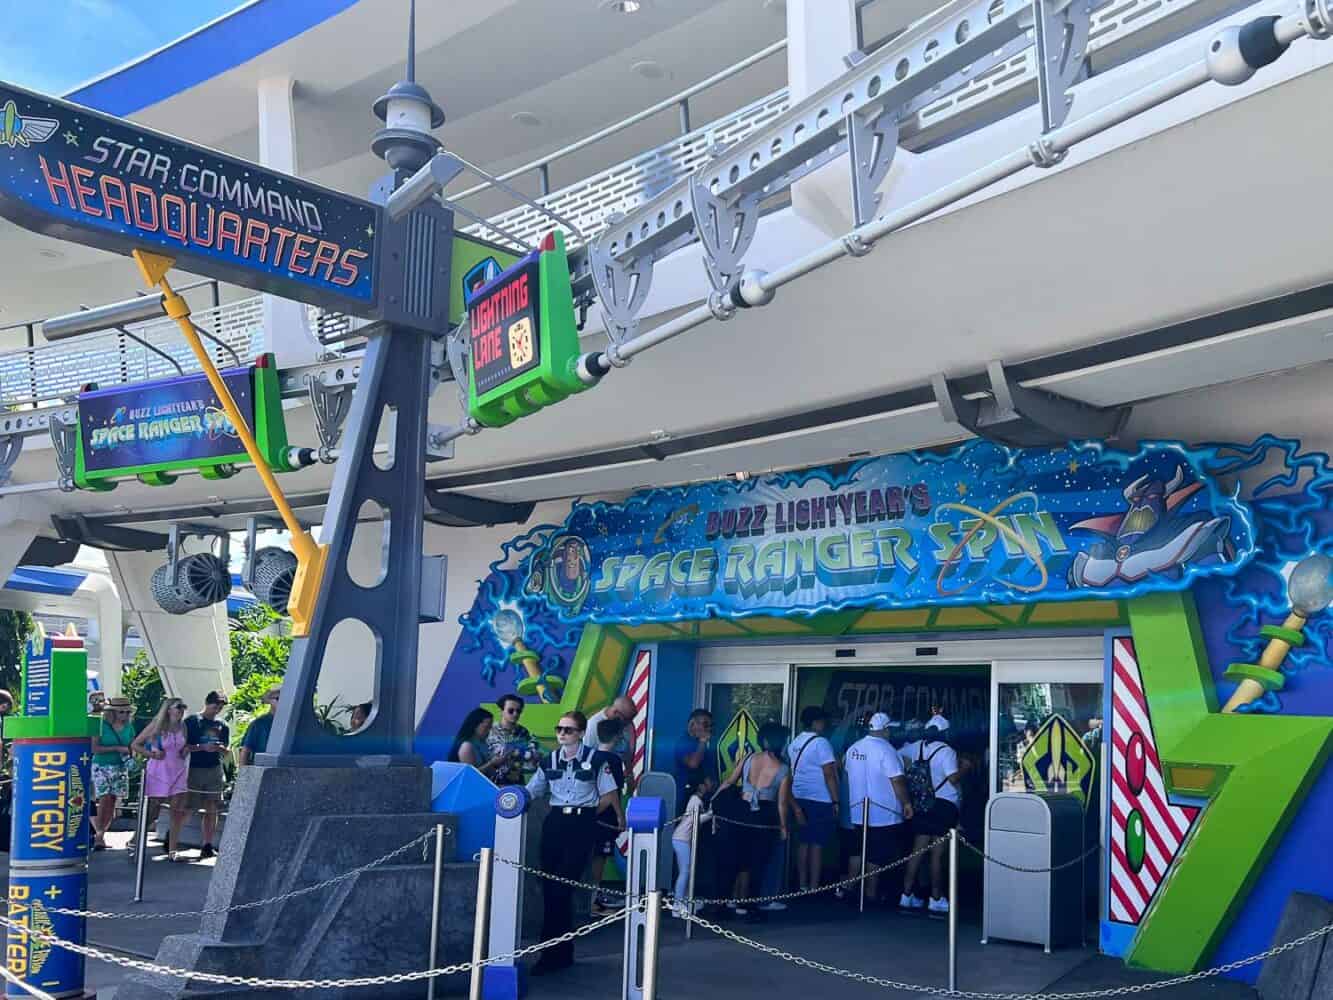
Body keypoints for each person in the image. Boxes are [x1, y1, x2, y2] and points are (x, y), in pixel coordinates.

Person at [525, 711, 619, 975]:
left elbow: (609, 793)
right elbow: (534, 789)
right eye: (559, 729)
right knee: (550, 887)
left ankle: (555, 952)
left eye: (568, 729)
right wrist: (511, 798)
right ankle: (556, 952)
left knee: (563, 888)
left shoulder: (596, 759)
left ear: (579, 733)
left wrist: (588, 813)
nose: (562, 733)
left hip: (580, 824)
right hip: (555, 823)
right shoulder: (549, 760)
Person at [717, 722, 791, 920]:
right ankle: (751, 906)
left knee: (733, 861)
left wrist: (715, 800)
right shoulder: (783, 769)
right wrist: (784, 827)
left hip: (740, 812)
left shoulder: (749, 758)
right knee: (757, 864)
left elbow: (729, 781)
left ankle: (723, 903)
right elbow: (782, 803)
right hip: (764, 817)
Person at [844, 713, 914, 904]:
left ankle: (850, 888)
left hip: (858, 811)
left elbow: (849, 772)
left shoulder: (853, 748)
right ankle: (871, 893)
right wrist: (907, 803)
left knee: (858, 850)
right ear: (885, 729)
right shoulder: (887, 750)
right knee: (878, 854)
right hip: (885, 813)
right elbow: (897, 780)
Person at [899, 714, 962, 914]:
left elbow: (897, 755)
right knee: (937, 854)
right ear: (945, 732)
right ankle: (936, 898)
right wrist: (966, 769)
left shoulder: (916, 746)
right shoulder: (947, 751)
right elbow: (953, 779)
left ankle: (906, 895)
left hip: (922, 804)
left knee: (917, 851)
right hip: (944, 805)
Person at [787, 705, 839, 892]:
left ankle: (801, 884)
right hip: (820, 798)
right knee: (817, 844)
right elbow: (829, 774)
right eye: (822, 720)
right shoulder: (821, 743)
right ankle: (815, 886)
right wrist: (835, 800)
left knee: (803, 843)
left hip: (799, 796)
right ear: (816, 722)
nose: (825, 723)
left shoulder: (795, 742)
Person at [132, 698, 191, 861]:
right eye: (178, 707)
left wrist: (186, 749)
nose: (181, 710)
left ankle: (173, 850)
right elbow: (135, 744)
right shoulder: (157, 725)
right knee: (153, 809)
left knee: (177, 811)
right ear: (169, 709)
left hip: (178, 769)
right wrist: (151, 754)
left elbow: (183, 745)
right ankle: (136, 840)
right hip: (159, 770)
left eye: (183, 707)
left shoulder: (183, 726)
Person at [185, 691, 231, 860]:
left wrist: (219, 748)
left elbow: (226, 749)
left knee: (212, 805)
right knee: (190, 806)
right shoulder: (192, 721)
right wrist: (201, 747)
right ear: (207, 703)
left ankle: (207, 843)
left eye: (220, 707)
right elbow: (184, 746)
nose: (217, 709)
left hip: (214, 768)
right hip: (194, 768)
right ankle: (173, 835)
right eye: (215, 705)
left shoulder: (222, 725)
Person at [591, 717, 628, 916]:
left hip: (591, 814)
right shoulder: (613, 760)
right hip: (605, 817)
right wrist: (620, 815)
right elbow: (612, 791)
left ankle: (592, 899)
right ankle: (594, 902)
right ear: (618, 736)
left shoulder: (590, 756)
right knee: (600, 859)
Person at [90, 696, 136, 850]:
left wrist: (131, 753)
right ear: (112, 712)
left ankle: (102, 833)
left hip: (120, 766)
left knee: (112, 801)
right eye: (121, 712)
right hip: (101, 765)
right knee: (104, 798)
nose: (124, 715)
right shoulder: (101, 725)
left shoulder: (129, 727)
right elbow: (94, 748)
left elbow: (132, 745)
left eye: (127, 712)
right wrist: (116, 748)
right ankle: (99, 834)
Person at [671, 768, 714, 916]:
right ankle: (678, 904)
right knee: (685, 871)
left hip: (682, 839)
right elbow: (695, 820)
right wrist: (710, 814)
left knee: (687, 871)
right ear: (701, 785)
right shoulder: (695, 800)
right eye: (707, 782)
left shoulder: (695, 799)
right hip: (682, 839)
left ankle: (685, 900)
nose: (710, 783)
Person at [448, 708, 513, 780]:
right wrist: (492, 763)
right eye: (486, 727)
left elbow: (488, 769)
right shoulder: (467, 746)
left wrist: (499, 761)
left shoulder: (483, 743)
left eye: (490, 728)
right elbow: (471, 775)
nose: (489, 731)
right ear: (475, 725)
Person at [486, 694, 533, 786]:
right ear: (501, 711)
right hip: (494, 781)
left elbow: (528, 756)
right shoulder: (490, 731)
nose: (515, 714)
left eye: (518, 711)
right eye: (511, 711)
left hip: (517, 781)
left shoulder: (523, 731)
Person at [583, 695, 636, 775]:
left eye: (631, 720)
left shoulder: (625, 722)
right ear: (615, 712)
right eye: (626, 720)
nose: (629, 724)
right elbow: (587, 760)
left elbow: (626, 752)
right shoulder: (592, 727)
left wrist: (629, 774)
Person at [673, 709, 716, 791]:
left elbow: (703, 769)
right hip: (685, 793)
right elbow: (693, 764)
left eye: (711, 725)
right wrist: (703, 741)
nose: (708, 729)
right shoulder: (682, 742)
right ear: (693, 723)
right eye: (705, 724)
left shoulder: (699, 743)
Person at [237, 686, 280, 766]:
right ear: (269, 701)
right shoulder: (259, 723)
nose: (282, 701)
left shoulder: (293, 722)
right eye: (278, 699)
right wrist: (243, 775)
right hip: (262, 769)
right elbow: (245, 750)